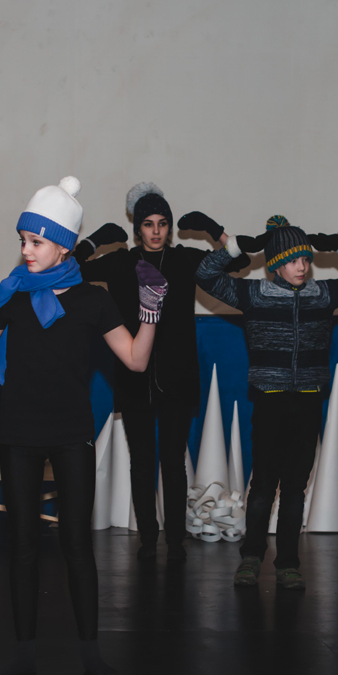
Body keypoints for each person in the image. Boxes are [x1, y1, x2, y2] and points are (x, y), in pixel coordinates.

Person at [0, 177, 164, 675]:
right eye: (23, 240)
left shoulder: (93, 301)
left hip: (73, 435)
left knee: (77, 545)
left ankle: (91, 654)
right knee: (24, 546)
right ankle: (24, 654)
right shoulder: (11, 297)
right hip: (19, 436)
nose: (26, 250)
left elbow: (136, 361)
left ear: (63, 246)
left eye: (35, 241)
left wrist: (150, 313)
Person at [193, 214, 338, 590]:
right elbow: (206, 276)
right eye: (293, 260)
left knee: (294, 489)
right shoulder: (255, 294)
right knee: (262, 487)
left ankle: (288, 563)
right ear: (276, 264)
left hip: (308, 401)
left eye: (306, 259)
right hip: (270, 402)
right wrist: (234, 247)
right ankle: (251, 557)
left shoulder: (322, 294)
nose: (302, 266)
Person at [72, 183, 220, 562]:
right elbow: (69, 268)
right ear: (137, 227)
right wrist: (93, 242)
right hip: (134, 377)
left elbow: (232, 261)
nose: (156, 231)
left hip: (177, 378)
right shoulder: (120, 262)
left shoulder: (185, 260)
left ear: (169, 227)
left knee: (172, 462)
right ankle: (149, 539)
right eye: (148, 224)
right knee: (141, 462)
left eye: (162, 223)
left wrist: (212, 229)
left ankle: (175, 540)